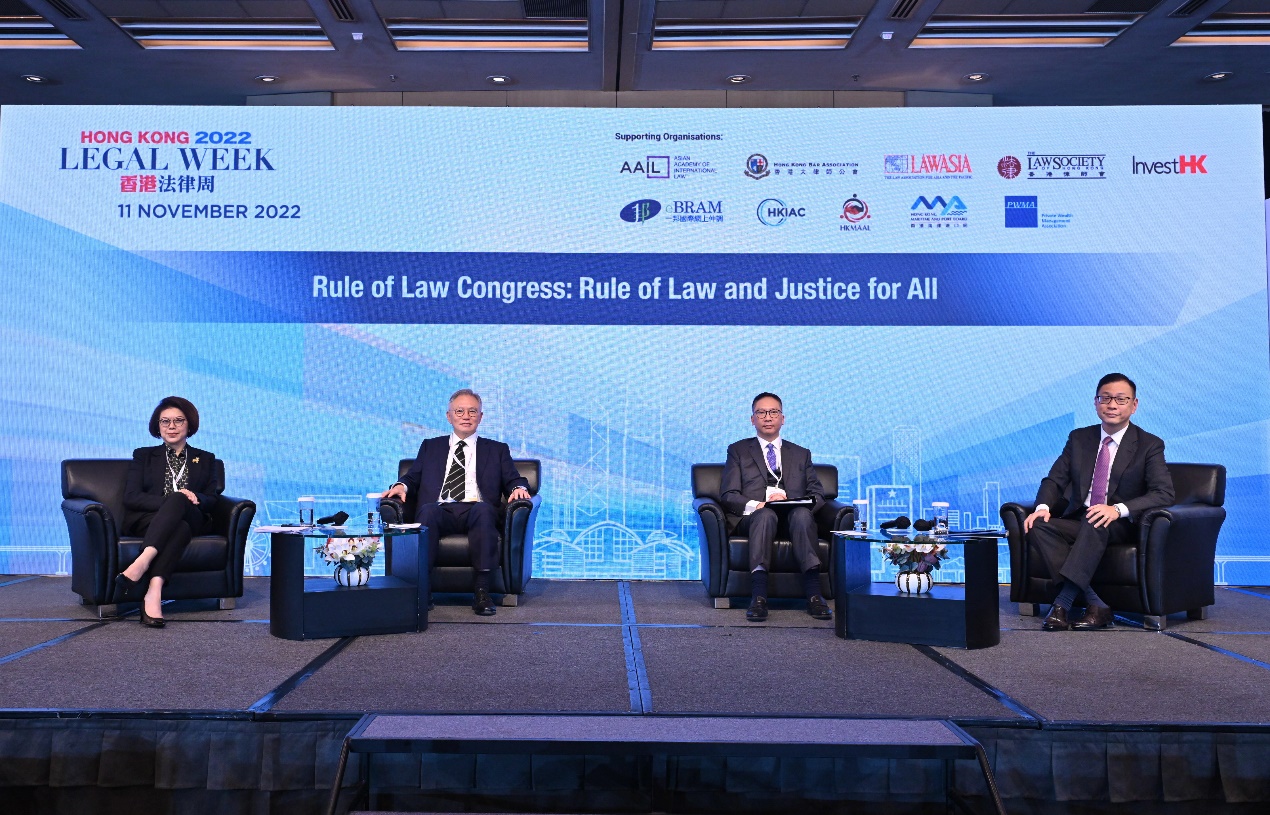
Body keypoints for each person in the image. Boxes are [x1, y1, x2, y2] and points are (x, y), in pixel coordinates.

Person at [1024, 373, 1174, 631]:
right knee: (1037, 525)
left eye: (1120, 399)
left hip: (1120, 523)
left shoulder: (1149, 444)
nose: (1112, 405)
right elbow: (1054, 480)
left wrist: (1117, 510)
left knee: (1098, 519)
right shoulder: (1079, 438)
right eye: (1105, 398)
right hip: (1081, 517)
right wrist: (1042, 508)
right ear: (1095, 403)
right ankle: (1096, 605)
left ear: (1134, 405)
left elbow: (1164, 493)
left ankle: (1062, 604)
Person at [383, 389, 530, 616]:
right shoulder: (430, 446)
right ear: (448, 416)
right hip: (441, 509)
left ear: (481, 417)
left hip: (476, 509)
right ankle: (424, 590)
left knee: (484, 510)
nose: (466, 416)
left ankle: (482, 592)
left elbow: (514, 478)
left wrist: (519, 488)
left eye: (472, 411)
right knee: (427, 512)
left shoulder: (497, 449)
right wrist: (401, 485)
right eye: (459, 411)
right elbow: (413, 476)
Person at [719, 392, 831, 623]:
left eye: (773, 412)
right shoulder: (738, 450)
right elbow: (728, 494)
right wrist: (757, 504)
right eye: (761, 412)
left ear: (783, 418)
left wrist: (799, 504)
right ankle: (758, 598)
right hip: (756, 517)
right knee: (765, 515)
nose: (767, 417)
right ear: (752, 419)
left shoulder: (801, 454)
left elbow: (818, 494)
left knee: (801, 515)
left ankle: (814, 596)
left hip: (793, 517)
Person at [118, 396, 223, 628]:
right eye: (165, 422)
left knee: (182, 504)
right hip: (149, 520)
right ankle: (154, 591)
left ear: (189, 424)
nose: (171, 427)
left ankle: (143, 561)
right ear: (157, 426)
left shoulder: (206, 459)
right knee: (179, 522)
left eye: (178, 421)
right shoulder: (143, 456)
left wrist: (197, 498)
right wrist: (172, 503)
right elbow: (132, 497)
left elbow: (212, 499)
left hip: (194, 516)